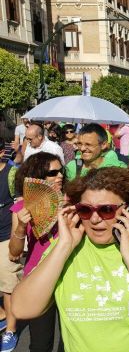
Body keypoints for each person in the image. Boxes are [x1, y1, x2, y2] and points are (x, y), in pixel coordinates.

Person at [11, 167, 129, 351]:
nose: (95, 219)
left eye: (106, 210)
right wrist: (64, 247)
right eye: (85, 210)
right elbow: (22, 308)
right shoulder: (66, 247)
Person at [9, 152, 65, 352]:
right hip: (37, 278)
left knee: (71, 341)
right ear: (37, 177)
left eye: (62, 171)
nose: (60, 176)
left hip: (69, 276)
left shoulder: (71, 202)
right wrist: (21, 228)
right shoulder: (21, 208)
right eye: (53, 172)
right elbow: (14, 254)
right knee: (41, 343)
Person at [0, 139, 17, 352]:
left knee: (8, 285)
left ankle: (10, 330)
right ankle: (3, 315)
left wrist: (16, 239)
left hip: (5, 236)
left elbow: (20, 204)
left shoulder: (12, 175)